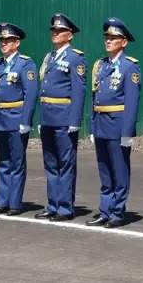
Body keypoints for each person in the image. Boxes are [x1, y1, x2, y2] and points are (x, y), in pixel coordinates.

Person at [86, 18, 141, 229]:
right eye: (107, 37)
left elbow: (132, 101)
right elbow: (95, 98)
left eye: (114, 37)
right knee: (105, 172)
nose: (108, 41)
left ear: (124, 41)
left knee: (119, 171)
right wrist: (92, 126)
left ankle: (117, 212)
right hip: (101, 124)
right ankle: (104, 210)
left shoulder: (130, 67)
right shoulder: (100, 66)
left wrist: (128, 132)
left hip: (117, 126)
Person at [0, 23, 38, 216]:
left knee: (16, 162)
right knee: (3, 162)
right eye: (2, 40)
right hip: (0, 119)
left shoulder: (25, 63)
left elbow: (30, 94)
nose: (4, 43)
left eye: (8, 40)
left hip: (16, 118)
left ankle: (15, 204)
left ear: (17, 42)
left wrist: (26, 120)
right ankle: (2, 201)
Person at [35, 13, 87, 222]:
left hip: (64, 118)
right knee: (50, 164)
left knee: (65, 164)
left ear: (70, 35)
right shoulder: (49, 57)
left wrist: (75, 121)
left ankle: (65, 208)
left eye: (60, 31)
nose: (55, 34)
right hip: (48, 117)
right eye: (53, 31)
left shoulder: (75, 58)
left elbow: (79, 91)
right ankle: (52, 204)